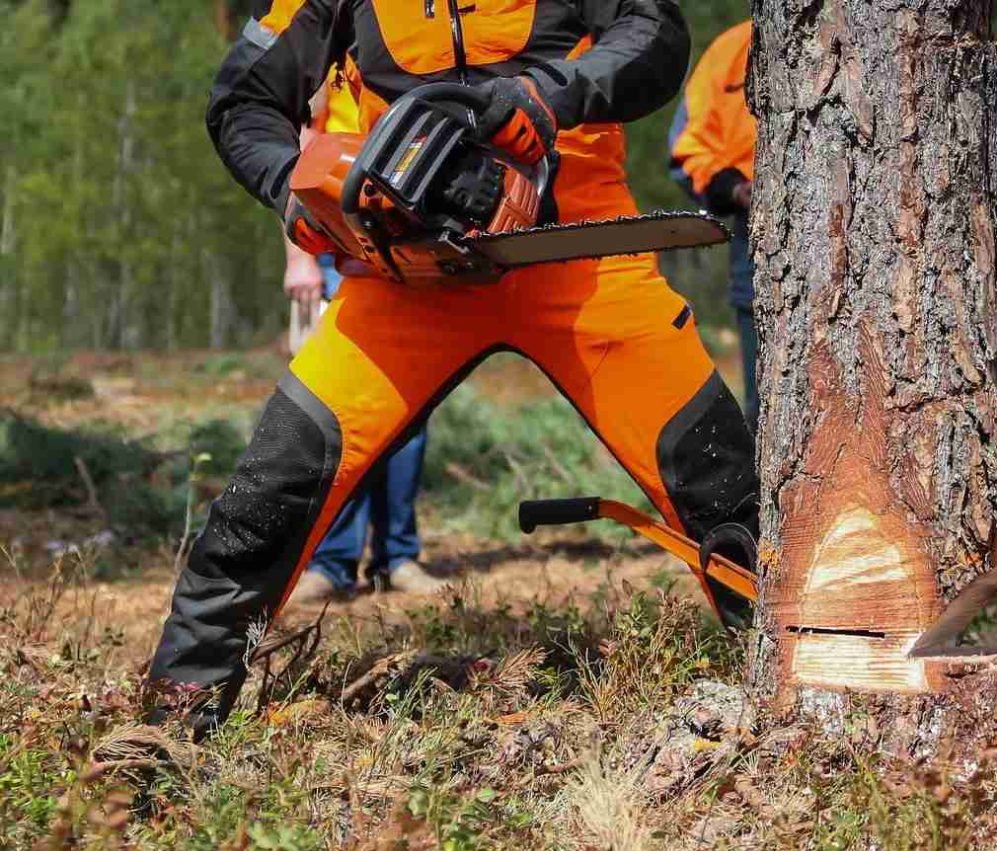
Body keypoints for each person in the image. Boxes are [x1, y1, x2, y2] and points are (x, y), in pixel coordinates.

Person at [147, 0, 758, 733]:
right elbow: (244, 99)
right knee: (272, 489)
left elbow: (654, 32)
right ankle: (173, 718)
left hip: (578, 247)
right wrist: (297, 192)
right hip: (404, 269)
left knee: (717, 477)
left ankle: (812, 680)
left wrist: (548, 93)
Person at [279, 70, 437, 603]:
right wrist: (300, 260)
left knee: (410, 413)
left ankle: (398, 557)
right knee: (340, 411)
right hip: (339, 250)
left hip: (413, 242)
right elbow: (302, 150)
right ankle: (332, 561)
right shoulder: (332, 38)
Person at [668, 20, 757, 425]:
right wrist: (736, 189)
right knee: (769, 405)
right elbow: (689, 148)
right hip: (760, 237)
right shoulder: (731, 51)